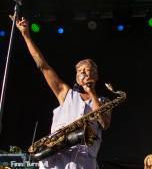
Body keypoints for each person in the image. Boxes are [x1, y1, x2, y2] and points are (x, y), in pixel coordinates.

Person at [10, 15, 111, 169]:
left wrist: (91, 93)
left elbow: (104, 124)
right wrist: (26, 34)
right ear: (76, 77)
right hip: (56, 159)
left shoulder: (103, 101)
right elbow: (42, 65)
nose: (83, 73)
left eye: (88, 70)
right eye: (80, 71)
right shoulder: (66, 93)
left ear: (96, 76)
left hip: (84, 162)